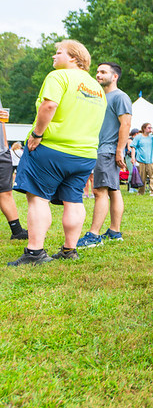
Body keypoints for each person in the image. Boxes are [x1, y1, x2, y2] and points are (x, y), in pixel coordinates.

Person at [8, 39, 107, 266]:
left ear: (73, 57)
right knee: (74, 200)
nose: (54, 56)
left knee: (38, 198)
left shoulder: (58, 76)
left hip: (52, 149)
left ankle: (35, 253)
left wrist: (37, 134)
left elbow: (49, 106)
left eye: (58, 52)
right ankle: (69, 250)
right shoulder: (97, 88)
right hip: (85, 154)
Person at [76, 62, 132, 249]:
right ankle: (115, 232)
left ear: (114, 76)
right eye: (97, 71)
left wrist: (119, 151)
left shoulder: (120, 97)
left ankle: (94, 235)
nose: (98, 75)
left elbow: (125, 125)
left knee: (100, 191)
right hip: (99, 148)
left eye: (103, 72)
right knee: (113, 189)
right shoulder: (100, 96)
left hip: (108, 150)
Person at [0, 101, 28, 241]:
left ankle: (17, 231)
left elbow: (2, 121)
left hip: (1, 152)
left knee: (5, 191)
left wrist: (5, 146)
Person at [131, 123, 153, 196]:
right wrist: (133, 157)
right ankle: (141, 192)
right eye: (148, 128)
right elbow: (133, 147)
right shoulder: (138, 137)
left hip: (152, 160)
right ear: (144, 128)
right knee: (141, 178)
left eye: (151, 127)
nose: (150, 129)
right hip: (141, 160)